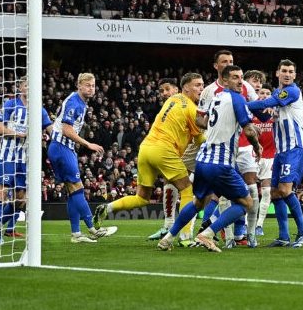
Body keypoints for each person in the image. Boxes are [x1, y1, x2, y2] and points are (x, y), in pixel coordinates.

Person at [157, 65, 262, 253]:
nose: (240, 82)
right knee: (246, 202)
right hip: (220, 163)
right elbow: (248, 129)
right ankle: (208, 233)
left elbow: (203, 122)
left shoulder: (216, 98)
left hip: (203, 160)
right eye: (235, 78)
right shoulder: (237, 99)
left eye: (241, 78)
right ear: (225, 80)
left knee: (199, 202)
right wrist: (256, 145)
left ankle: (168, 237)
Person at [94, 73, 205, 247]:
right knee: (187, 190)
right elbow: (200, 141)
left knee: (142, 197)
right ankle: (185, 238)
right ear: (185, 88)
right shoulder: (191, 108)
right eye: (197, 85)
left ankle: (106, 208)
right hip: (164, 149)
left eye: (202, 85)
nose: (201, 88)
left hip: (146, 149)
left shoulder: (173, 100)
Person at [0, 77, 53, 244]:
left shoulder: (40, 110)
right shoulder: (11, 104)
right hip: (8, 155)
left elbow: (50, 130)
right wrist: (19, 134)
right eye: (26, 85)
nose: (29, 88)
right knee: (3, 192)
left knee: (21, 200)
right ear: (20, 88)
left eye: (32, 85)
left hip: (26, 159)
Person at [193, 50, 259, 247]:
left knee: (251, 192)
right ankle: (220, 233)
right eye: (224, 62)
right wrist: (218, 127)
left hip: (244, 147)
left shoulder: (244, 87)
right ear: (217, 67)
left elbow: (255, 108)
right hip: (220, 150)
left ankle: (244, 234)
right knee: (222, 196)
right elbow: (199, 119)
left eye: (231, 61)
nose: (228, 64)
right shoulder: (209, 91)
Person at [247, 59, 303, 248]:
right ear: (277, 73)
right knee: (274, 193)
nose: (288, 74)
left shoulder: (292, 91)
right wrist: (254, 110)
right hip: (280, 151)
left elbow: (270, 102)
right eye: (284, 71)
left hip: (295, 147)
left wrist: (242, 105)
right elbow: (266, 115)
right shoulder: (277, 93)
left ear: (295, 75)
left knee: (284, 190)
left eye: (291, 71)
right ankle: (283, 236)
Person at [48, 73, 117, 243]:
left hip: (61, 147)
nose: (91, 88)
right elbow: (66, 129)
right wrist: (88, 144)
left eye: (93, 85)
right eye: (87, 85)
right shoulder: (75, 103)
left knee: (72, 191)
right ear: (79, 85)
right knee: (78, 188)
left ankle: (76, 234)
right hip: (62, 147)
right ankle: (94, 228)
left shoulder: (79, 101)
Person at [145, 78, 185, 241]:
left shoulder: (184, 104)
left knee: (195, 189)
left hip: (191, 151)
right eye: (161, 91)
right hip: (172, 151)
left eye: (167, 89)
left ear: (176, 89)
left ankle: (196, 229)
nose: (164, 94)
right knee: (169, 182)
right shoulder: (166, 108)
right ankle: (169, 227)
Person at [252, 84, 276, 237]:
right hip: (253, 156)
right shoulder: (252, 114)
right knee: (251, 190)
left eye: (268, 93)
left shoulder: (276, 114)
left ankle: (259, 224)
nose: (265, 95)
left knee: (267, 192)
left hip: (270, 157)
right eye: (262, 93)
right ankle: (249, 223)